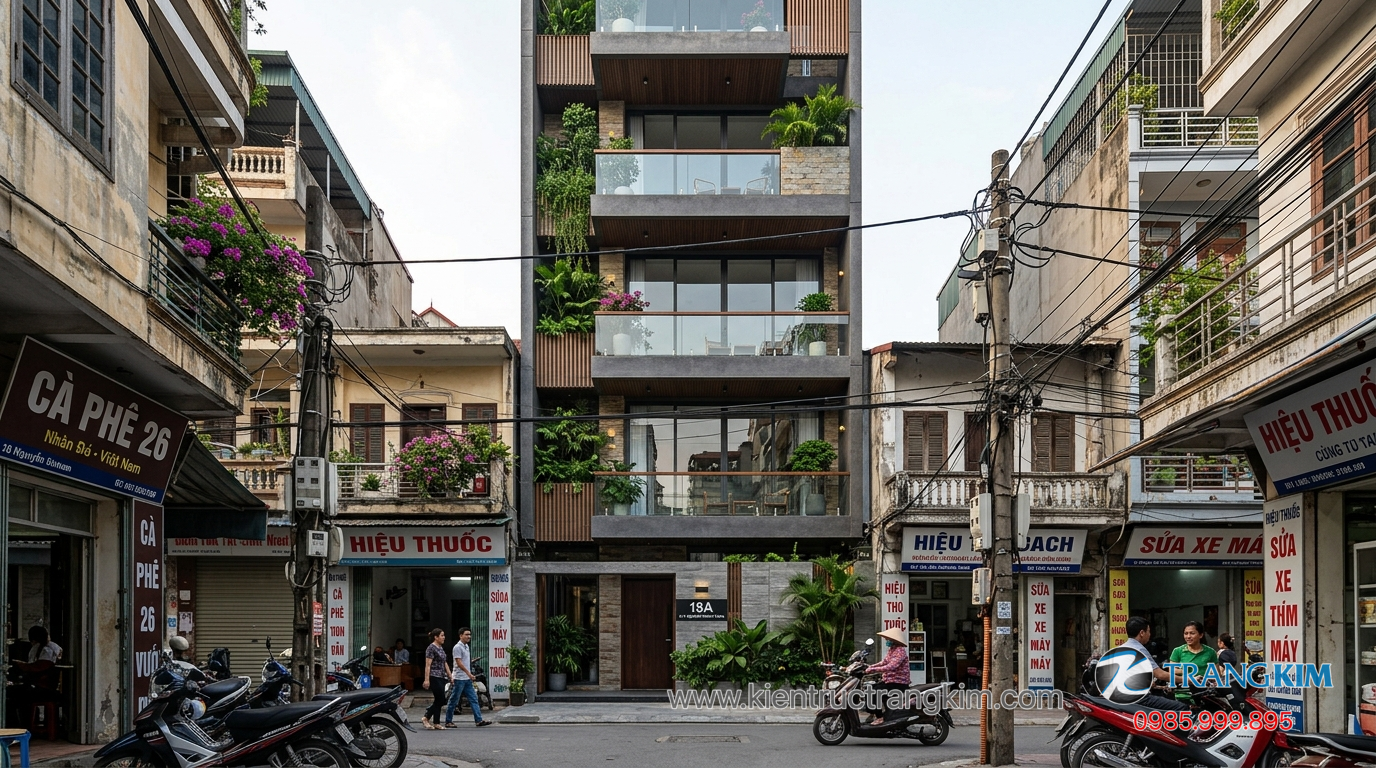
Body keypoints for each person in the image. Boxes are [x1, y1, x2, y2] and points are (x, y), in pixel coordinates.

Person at [1122, 617, 1189, 711]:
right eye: (1148, 631)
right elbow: (1160, 674)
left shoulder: (1122, 648)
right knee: (1182, 707)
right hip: (1139, 698)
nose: (1149, 635)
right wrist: (1187, 680)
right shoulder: (1139, 649)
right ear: (1142, 633)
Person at [864, 627, 911, 726]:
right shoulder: (892, 650)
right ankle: (874, 713)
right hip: (890, 681)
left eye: (888, 639)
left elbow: (891, 666)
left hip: (898, 683)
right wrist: (871, 666)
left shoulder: (900, 651)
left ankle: (879, 717)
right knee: (870, 688)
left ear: (893, 640)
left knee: (875, 692)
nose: (886, 640)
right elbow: (884, 662)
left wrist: (873, 670)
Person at [444, 628, 491, 727]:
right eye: (466, 634)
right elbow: (459, 663)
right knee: (454, 700)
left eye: (469, 634)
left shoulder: (466, 647)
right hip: (459, 678)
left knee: (473, 698)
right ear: (461, 635)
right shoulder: (457, 647)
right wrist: (469, 674)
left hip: (467, 679)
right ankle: (448, 721)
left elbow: (465, 662)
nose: (469, 636)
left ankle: (479, 720)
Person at [1168, 621, 1218, 702]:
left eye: (1192, 633)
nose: (1188, 636)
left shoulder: (1210, 652)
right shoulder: (1177, 651)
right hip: (1183, 694)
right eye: (1186, 633)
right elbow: (1172, 671)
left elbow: (1217, 674)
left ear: (1201, 635)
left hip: (1205, 694)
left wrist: (1206, 678)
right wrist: (1190, 673)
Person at [421, 628, 451, 730]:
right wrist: (426, 679)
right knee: (440, 699)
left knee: (439, 700)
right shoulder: (431, 648)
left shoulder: (440, 648)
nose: (444, 637)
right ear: (436, 637)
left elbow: (444, 662)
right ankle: (426, 717)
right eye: (442, 635)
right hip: (434, 676)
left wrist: (450, 675)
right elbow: (428, 665)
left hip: (442, 676)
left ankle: (436, 722)